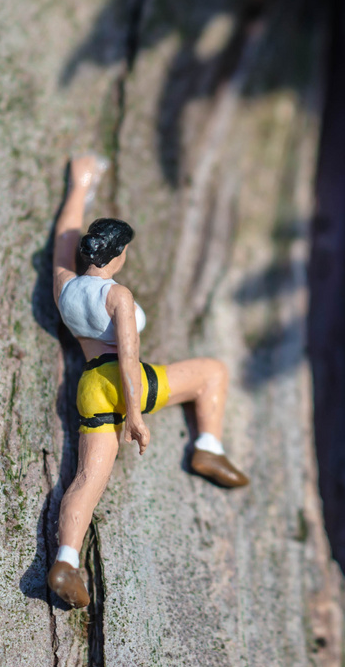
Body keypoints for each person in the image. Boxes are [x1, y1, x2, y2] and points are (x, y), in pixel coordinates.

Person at [46, 155, 247, 608]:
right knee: (211, 372)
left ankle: (65, 559)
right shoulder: (119, 295)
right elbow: (131, 355)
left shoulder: (65, 286)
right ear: (117, 255)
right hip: (124, 380)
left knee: (87, 479)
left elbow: (62, 242)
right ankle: (207, 449)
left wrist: (79, 186)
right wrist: (135, 415)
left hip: (91, 385)